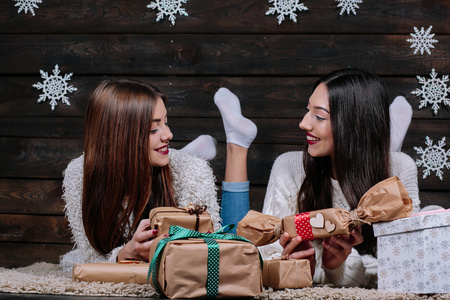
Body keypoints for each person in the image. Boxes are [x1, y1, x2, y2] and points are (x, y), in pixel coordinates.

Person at [60, 80, 257, 272]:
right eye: (154, 128)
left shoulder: (194, 171)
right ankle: (188, 150)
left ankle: (236, 145)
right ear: (120, 136)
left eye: (166, 122)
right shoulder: (79, 174)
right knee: (72, 262)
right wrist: (125, 254)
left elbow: (212, 248)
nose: (169, 134)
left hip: (180, 180)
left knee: (238, 254)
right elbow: (89, 255)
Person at [259, 68, 420, 288]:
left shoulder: (401, 171)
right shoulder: (288, 167)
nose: (304, 123)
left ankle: (383, 151)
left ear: (353, 125)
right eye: (308, 111)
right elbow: (264, 255)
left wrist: (341, 264)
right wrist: (305, 267)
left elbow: (408, 268)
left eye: (319, 116)